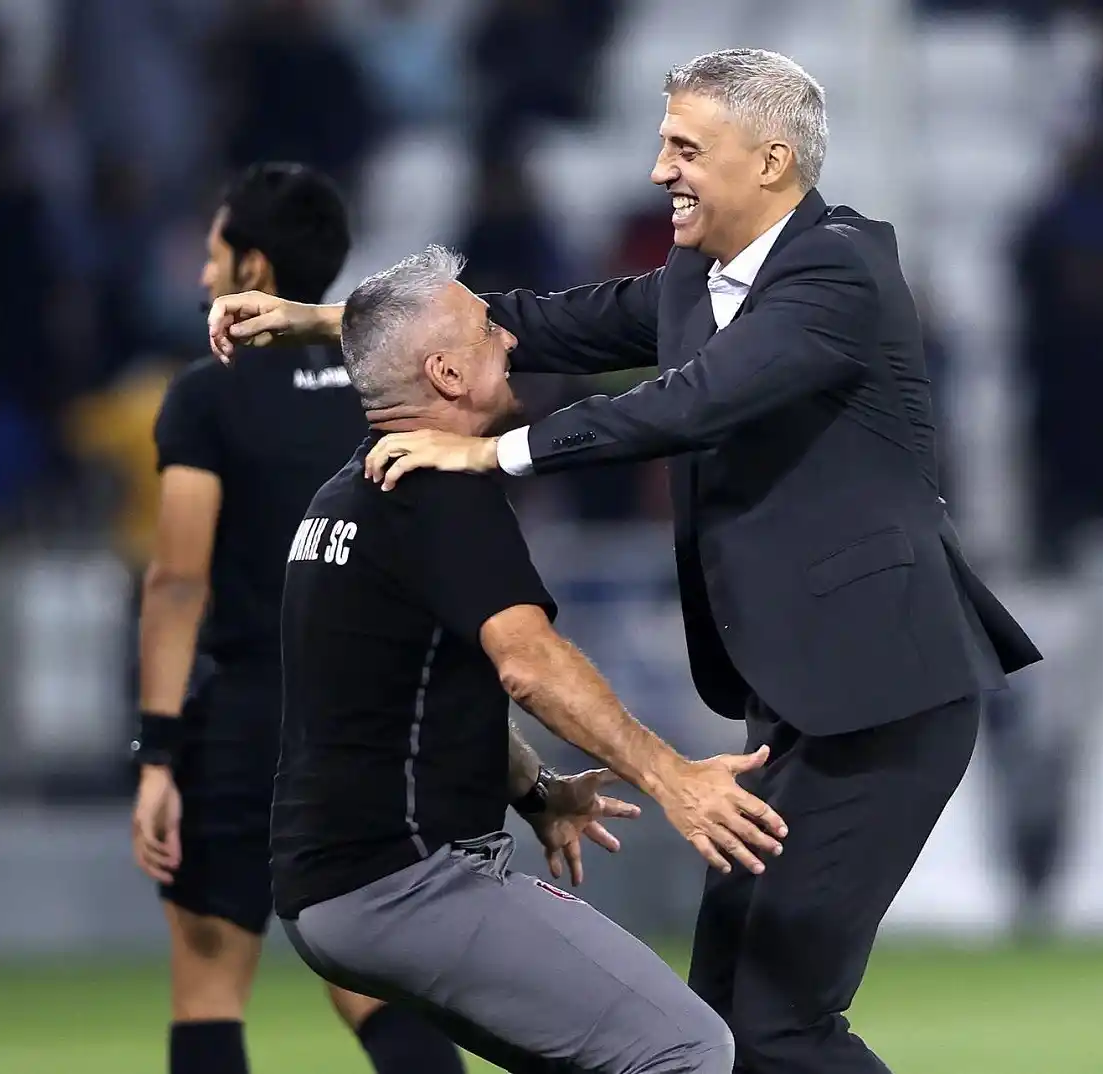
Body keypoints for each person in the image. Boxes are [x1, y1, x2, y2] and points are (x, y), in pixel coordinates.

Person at [206, 48, 1044, 1074]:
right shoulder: (697, 279)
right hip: (802, 706)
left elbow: (694, 402)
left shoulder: (840, 270)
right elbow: (529, 323)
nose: (659, 170)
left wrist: (497, 447)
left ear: (771, 162)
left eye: (685, 146)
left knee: (777, 1027)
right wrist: (326, 322)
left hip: (886, 697)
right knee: (723, 1029)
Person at [272, 246, 789, 1073]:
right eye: (486, 330)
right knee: (688, 1048)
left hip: (330, 890)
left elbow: (413, 688)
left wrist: (536, 789)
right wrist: (672, 778)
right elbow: (529, 664)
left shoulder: (344, 498)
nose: (510, 339)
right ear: (444, 373)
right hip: (409, 882)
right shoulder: (439, 496)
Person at [129, 163, 464, 1074]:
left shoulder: (206, 396)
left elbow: (176, 583)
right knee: (378, 987)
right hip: (369, 730)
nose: (203, 277)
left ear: (253, 269)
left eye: (213, 256)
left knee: (206, 988)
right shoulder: (383, 397)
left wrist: (157, 751)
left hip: (246, 719)